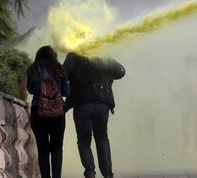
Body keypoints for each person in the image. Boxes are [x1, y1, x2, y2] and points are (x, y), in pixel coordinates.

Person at [63, 52, 125, 178]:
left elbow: (63, 74)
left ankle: (90, 172)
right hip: (102, 104)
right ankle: (108, 174)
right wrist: (106, 72)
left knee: (84, 140)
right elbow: (120, 71)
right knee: (102, 138)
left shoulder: (73, 55)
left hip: (81, 103)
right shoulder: (101, 52)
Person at [27, 46, 70, 178]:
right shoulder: (60, 68)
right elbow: (66, 92)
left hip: (38, 112)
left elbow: (31, 90)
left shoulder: (33, 68)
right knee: (57, 148)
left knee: (43, 149)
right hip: (58, 113)